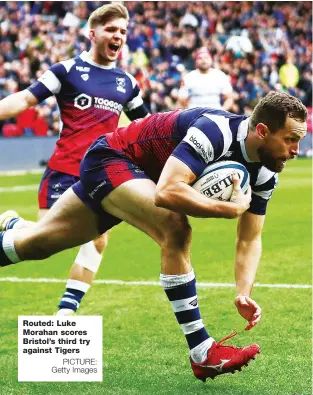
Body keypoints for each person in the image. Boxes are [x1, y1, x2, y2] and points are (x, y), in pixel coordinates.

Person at [0, 92, 307, 381]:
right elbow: (166, 191)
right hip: (112, 157)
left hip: (137, 177)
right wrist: (224, 210)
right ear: (263, 131)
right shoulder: (216, 131)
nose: (295, 150)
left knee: (34, 245)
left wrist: (243, 291)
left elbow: (249, 239)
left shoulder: (266, 172)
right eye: (290, 140)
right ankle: (203, 352)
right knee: (174, 228)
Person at [0, 3, 149, 316]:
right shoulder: (66, 71)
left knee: (97, 241)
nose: (118, 35)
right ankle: (13, 223)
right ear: (92, 34)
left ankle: (67, 313)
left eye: (122, 31)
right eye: (111, 29)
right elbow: (26, 99)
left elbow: (146, 127)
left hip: (102, 173)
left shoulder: (127, 84)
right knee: (44, 240)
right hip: (64, 170)